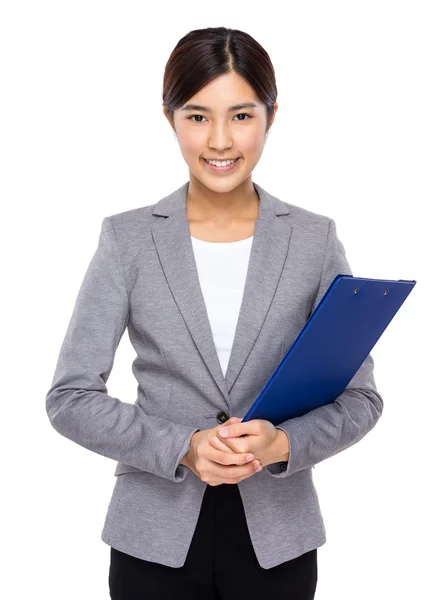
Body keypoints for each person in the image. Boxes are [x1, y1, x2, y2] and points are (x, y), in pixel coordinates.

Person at [45, 26, 384, 600]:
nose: (221, 140)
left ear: (271, 116)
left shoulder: (313, 240)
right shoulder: (127, 241)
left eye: (242, 116)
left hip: (278, 540)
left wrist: (284, 444)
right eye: (198, 116)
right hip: (152, 536)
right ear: (170, 118)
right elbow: (70, 397)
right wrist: (183, 444)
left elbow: (362, 400)